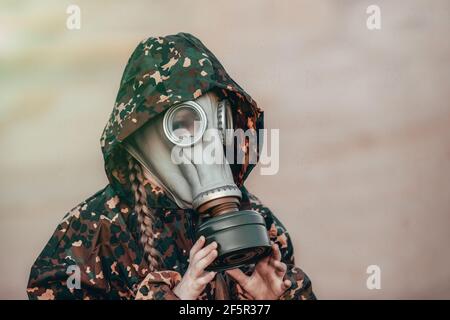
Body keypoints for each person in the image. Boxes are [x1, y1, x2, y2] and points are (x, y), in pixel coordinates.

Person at [27, 33, 315, 300]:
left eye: (220, 122)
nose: (210, 142)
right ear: (139, 133)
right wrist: (177, 296)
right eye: (184, 124)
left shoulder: (259, 222)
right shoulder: (91, 234)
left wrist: (271, 299)